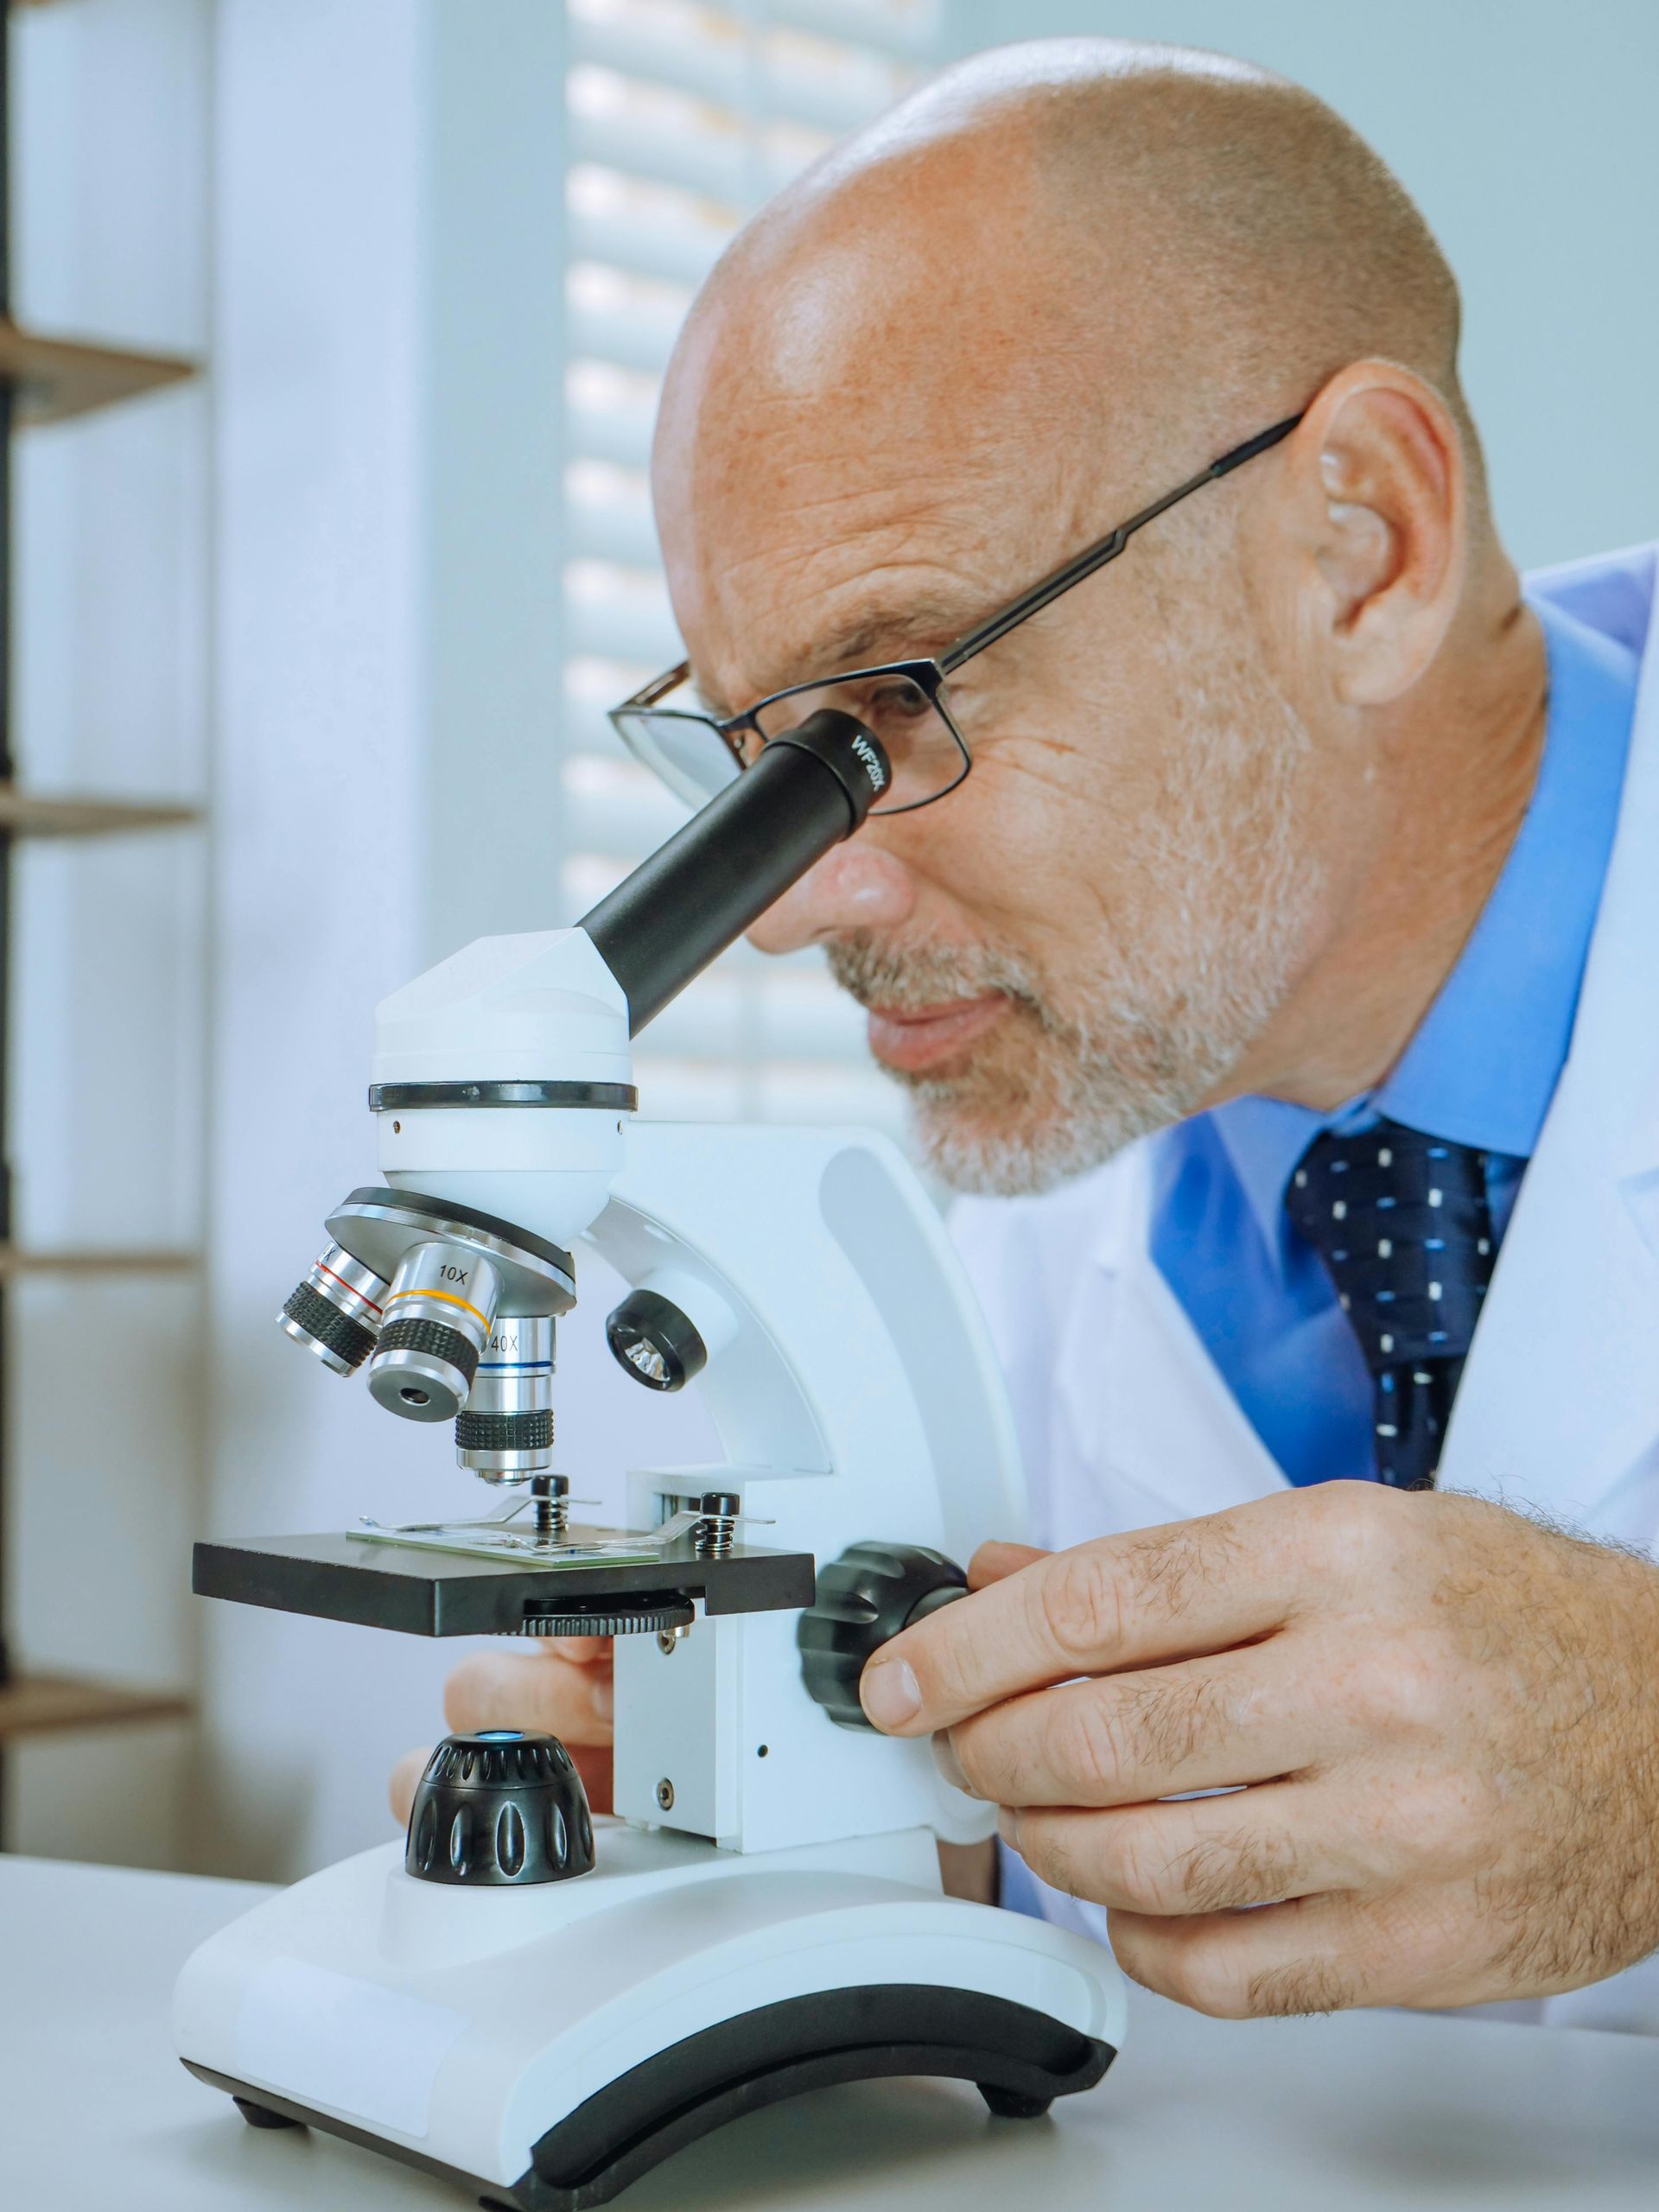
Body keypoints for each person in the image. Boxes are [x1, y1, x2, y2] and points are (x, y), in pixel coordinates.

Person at [394, 39, 1659, 2028]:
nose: (802, 899)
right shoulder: (1047, 1195)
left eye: (891, 707)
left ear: (1364, 545)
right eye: (754, 771)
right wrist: (877, 1840)